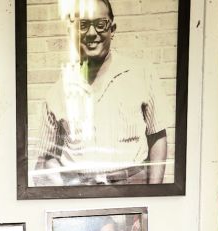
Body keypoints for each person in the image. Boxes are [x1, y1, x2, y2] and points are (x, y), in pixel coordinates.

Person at [34, 0, 167, 187]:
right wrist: (66, 192)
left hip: (133, 189)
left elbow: (157, 137)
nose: (91, 33)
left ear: (112, 29)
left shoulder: (142, 74)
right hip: (80, 193)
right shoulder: (57, 93)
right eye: (83, 25)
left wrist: (153, 194)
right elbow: (47, 158)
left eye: (100, 24)